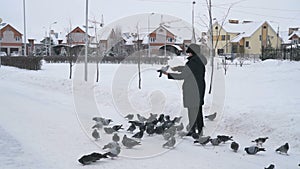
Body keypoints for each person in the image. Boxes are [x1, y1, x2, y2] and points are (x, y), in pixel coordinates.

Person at [162, 43, 207, 136]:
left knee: (192, 110)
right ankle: (200, 130)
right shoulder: (200, 61)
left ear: (193, 53)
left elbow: (183, 76)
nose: (188, 54)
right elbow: (190, 71)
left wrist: (168, 74)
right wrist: (180, 68)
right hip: (200, 87)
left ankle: (193, 130)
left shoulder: (192, 62)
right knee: (198, 110)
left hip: (192, 89)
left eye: (189, 53)